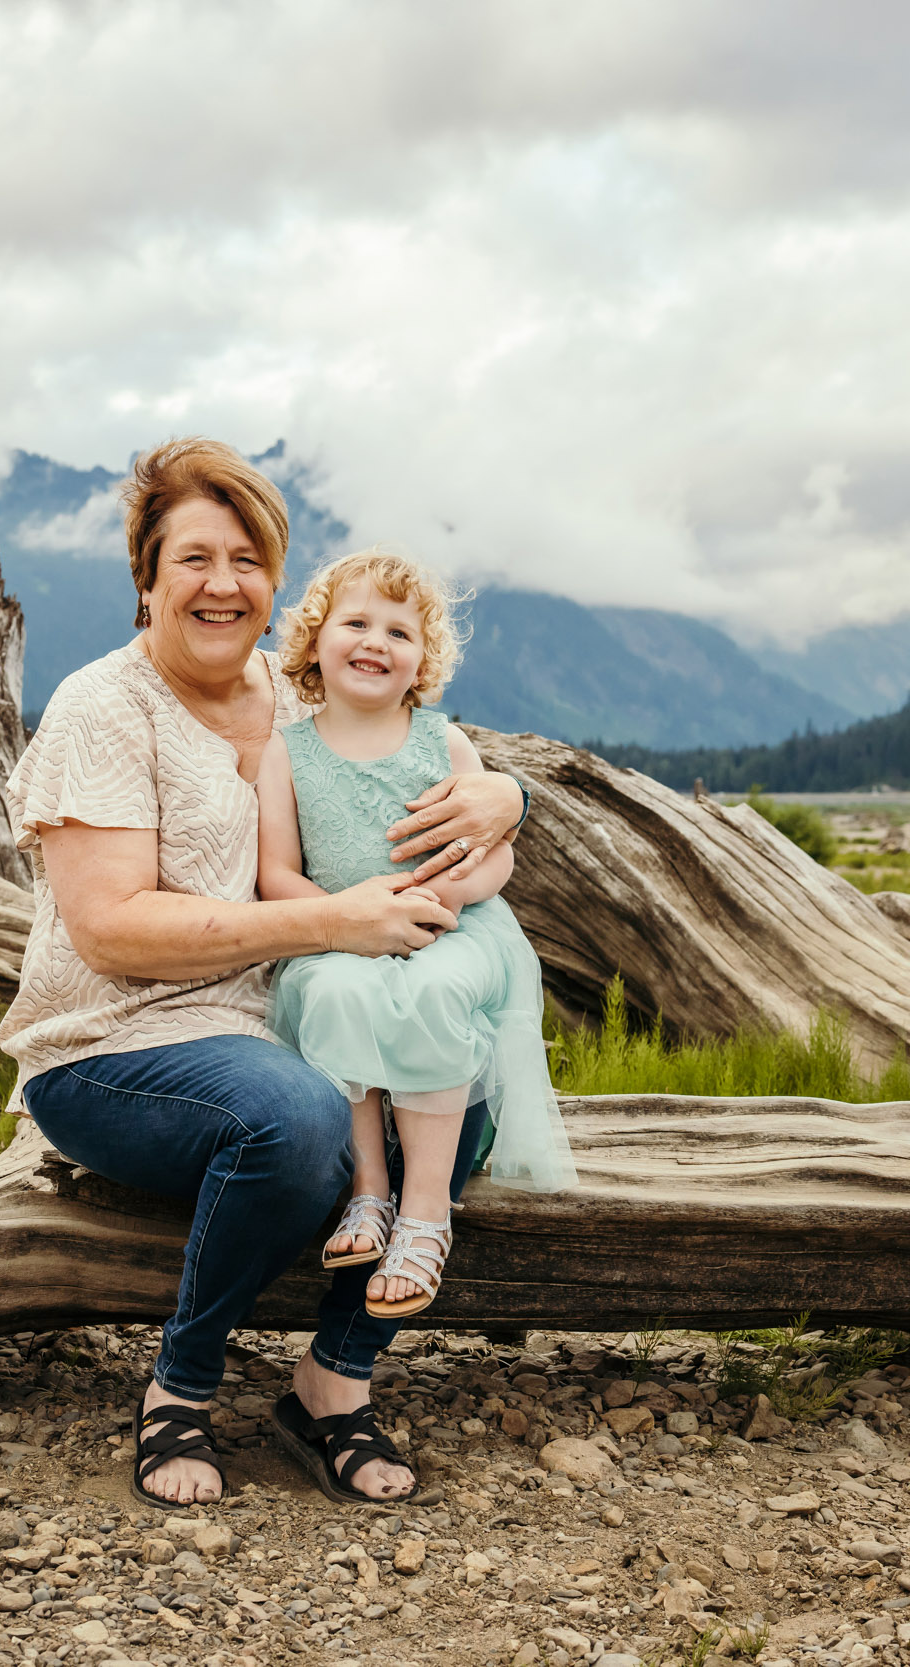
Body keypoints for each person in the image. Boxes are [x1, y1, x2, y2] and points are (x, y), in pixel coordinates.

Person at [0, 437, 529, 1512]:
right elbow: (110, 930)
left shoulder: (300, 703)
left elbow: (429, 759)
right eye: (193, 558)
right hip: (114, 1047)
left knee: (464, 1086)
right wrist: (333, 918)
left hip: (288, 1016)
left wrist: (506, 797)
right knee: (291, 1120)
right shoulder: (104, 707)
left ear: (278, 587)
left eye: (247, 559)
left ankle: (332, 1381)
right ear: (146, 580)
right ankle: (178, 1389)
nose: (221, 583)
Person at [256, 548, 575, 1352]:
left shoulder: (442, 742)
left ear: (421, 661)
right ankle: (371, 1190)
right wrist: (343, 919)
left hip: (455, 929)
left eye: (399, 631)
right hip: (340, 931)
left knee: (436, 994)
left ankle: (427, 1208)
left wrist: (454, 893)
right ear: (314, 643)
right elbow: (274, 873)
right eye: (355, 622)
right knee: (333, 992)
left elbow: (497, 849)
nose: (375, 641)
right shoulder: (287, 751)